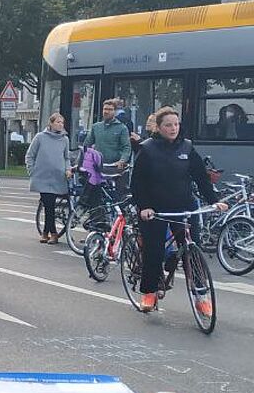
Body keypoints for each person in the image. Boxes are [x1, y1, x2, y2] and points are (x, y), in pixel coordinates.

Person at [129, 107, 226, 315]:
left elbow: (201, 178)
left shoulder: (187, 147)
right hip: (156, 210)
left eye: (176, 124)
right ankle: (149, 292)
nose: (173, 128)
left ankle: (201, 295)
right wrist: (144, 206)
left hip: (184, 207)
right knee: (154, 251)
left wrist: (214, 201)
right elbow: (137, 183)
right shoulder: (147, 149)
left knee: (193, 252)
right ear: (159, 127)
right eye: (168, 125)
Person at [26, 112, 72, 244]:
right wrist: (32, 171)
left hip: (58, 177)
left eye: (62, 123)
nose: (60, 125)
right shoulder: (40, 137)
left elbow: (66, 157)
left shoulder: (64, 139)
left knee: (49, 206)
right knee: (49, 204)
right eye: (57, 122)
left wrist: (68, 169)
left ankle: (46, 232)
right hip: (43, 177)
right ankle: (53, 233)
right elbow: (30, 155)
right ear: (51, 123)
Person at [83, 98, 132, 181]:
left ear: (115, 112)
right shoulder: (96, 127)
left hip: (114, 169)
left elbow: (126, 147)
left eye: (110, 109)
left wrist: (122, 160)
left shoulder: (122, 128)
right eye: (105, 109)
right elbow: (86, 145)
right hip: (97, 167)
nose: (106, 111)